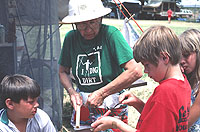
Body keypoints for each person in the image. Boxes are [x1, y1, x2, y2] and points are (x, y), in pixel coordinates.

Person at [59, 0, 143, 131]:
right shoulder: (71, 38)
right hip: (83, 102)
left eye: (92, 22)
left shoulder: (111, 34)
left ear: (100, 19)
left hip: (112, 101)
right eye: (81, 24)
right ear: (74, 24)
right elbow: (62, 71)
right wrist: (72, 92)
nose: (88, 29)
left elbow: (135, 71)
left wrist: (102, 93)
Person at [91, 25, 191, 132]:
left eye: (147, 65)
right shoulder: (183, 83)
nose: (145, 71)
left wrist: (115, 123)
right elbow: (161, 120)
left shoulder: (165, 91)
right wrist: (137, 103)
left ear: (164, 57)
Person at [179, 29, 200, 132]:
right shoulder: (186, 79)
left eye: (186, 55)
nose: (182, 61)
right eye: (179, 56)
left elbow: (184, 125)